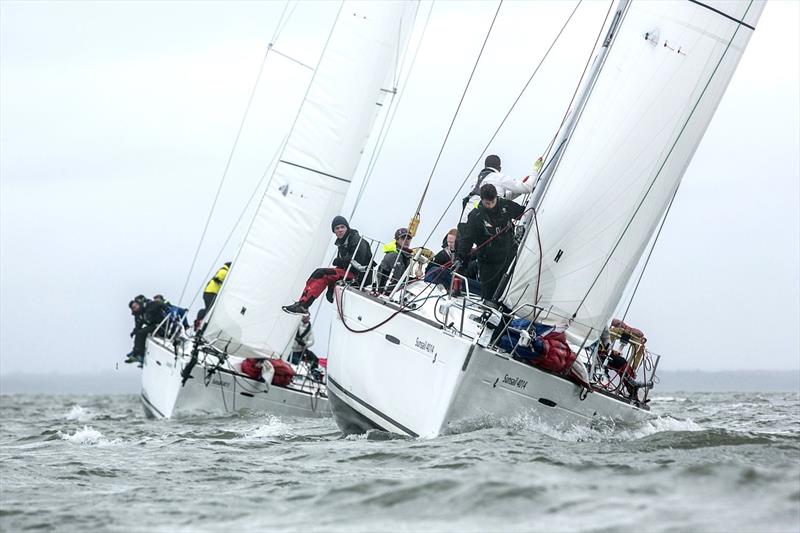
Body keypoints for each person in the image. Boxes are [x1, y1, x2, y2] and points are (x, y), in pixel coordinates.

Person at [282, 216, 372, 315]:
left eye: (342, 227)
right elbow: (340, 269)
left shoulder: (356, 239)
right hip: (350, 273)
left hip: (359, 276)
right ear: (334, 231)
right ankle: (302, 303)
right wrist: (331, 287)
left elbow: (358, 259)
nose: (340, 230)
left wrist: (339, 260)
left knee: (321, 273)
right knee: (318, 273)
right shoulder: (342, 243)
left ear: (347, 228)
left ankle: (303, 306)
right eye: (337, 228)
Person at [455, 183, 524, 303]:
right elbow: (467, 240)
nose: (491, 206)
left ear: (496, 197)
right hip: (488, 262)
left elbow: (523, 213)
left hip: (509, 256)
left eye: (493, 202)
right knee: (489, 293)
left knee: (508, 291)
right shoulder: (475, 216)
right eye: (487, 203)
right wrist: (459, 257)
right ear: (482, 200)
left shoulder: (505, 205)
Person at [459, 154, 541, 224]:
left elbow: (494, 199)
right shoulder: (500, 178)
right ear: (499, 168)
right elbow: (528, 188)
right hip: (482, 220)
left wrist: (517, 193)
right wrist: (535, 171)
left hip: (466, 221)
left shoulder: (476, 180)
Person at [125, 296, 168, 364]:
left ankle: (140, 355)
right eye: (133, 307)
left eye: (136, 305)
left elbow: (159, 304)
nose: (136, 307)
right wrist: (133, 332)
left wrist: (167, 309)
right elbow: (138, 326)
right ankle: (136, 352)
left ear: (139, 304)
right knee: (138, 332)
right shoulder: (138, 315)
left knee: (141, 333)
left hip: (161, 325)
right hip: (154, 326)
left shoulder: (149, 305)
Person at [377, 227, 413, 293]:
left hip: (396, 291)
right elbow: (399, 276)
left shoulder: (406, 256)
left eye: (408, 238)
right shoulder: (394, 255)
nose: (406, 241)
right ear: (397, 240)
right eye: (403, 238)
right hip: (384, 291)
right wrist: (413, 280)